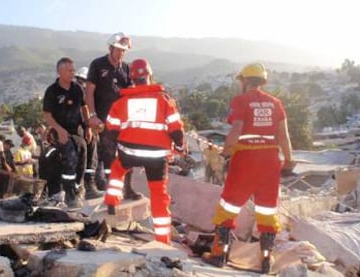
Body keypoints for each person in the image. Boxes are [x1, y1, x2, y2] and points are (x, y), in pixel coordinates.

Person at [202, 63, 294, 273]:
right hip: (271, 162)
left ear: (244, 81)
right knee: (267, 212)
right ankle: (265, 261)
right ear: (262, 81)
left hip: (246, 160)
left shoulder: (241, 101)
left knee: (228, 208)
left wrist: (225, 154)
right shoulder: (276, 103)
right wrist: (288, 160)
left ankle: (219, 254)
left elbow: (236, 131)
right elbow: (284, 136)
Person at [103, 59, 186, 244]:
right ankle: (162, 239)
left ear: (131, 78)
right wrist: (180, 147)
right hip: (157, 156)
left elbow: (111, 129)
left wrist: (114, 146)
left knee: (117, 168)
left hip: (129, 150)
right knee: (158, 193)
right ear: (149, 75)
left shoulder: (122, 101)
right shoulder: (164, 99)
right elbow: (176, 129)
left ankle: (111, 200)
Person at [86, 32, 142, 200]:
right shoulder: (97, 65)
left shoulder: (125, 68)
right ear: (110, 48)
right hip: (104, 119)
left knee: (128, 153)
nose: (121, 54)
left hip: (123, 120)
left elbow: (130, 93)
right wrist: (93, 115)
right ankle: (113, 191)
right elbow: (89, 92)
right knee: (109, 156)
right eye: (119, 50)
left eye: (124, 51)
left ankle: (128, 188)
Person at [43, 57, 100, 207]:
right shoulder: (52, 91)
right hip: (59, 131)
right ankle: (69, 193)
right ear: (60, 72)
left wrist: (88, 127)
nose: (72, 73)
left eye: (73, 70)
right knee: (70, 155)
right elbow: (47, 115)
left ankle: (78, 186)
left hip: (76, 130)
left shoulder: (77, 89)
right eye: (69, 70)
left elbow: (84, 108)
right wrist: (59, 130)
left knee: (83, 150)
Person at [75, 66, 103, 194]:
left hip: (75, 131)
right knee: (91, 158)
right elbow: (84, 113)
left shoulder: (72, 89)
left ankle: (80, 188)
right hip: (81, 131)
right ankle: (90, 188)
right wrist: (89, 128)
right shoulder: (81, 92)